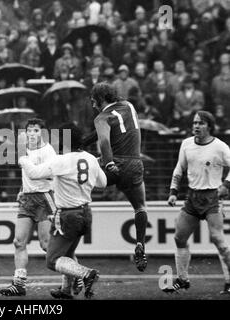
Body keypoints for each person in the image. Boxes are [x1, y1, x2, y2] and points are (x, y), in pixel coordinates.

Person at [19, 122, 107, 299]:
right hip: (85, 213)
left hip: (68, 215)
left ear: (65, 141)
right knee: (67, 253)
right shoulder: (90, 158)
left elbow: (34, 173)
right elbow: (102, 183)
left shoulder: (61, 160)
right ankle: (66, 290)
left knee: (52, 261)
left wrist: (22, 157)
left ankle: (86, 274)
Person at [83, 82, 148, 272]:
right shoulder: (129, 106)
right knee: (140, 207)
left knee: (77, 184)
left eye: (94, 101)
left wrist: (109, 162)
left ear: (101, 99)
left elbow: (104, 139)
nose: (94, 106)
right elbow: (105, 132)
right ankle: (140, 244)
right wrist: (84, 141)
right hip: (135, 164)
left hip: (114, 164)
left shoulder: (101, 117)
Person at [164, 111, 230, 295]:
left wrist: (226, 185)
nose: (196, 126)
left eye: (200, 123)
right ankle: (183, 279)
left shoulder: (220, 147)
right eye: (194, 123)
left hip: (212, 198)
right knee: (179, 238)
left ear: (209, 126)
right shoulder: (186, 144)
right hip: (193, 197)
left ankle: (229, 281)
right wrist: (173, 192)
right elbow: (179, 168)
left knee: (218, 240)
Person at [0, 118, 56, 296]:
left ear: (43, 133)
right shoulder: (25, 150)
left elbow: (50, 176)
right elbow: (27, 176)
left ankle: (74, 274)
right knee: (18, 242)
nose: (32, 134)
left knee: (47, 245)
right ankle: (19, 283)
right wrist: (22, 189)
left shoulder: (48, 151)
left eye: (36, 131)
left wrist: (31, 171)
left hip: (45, 198)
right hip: (27, 199)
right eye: (29, 130)